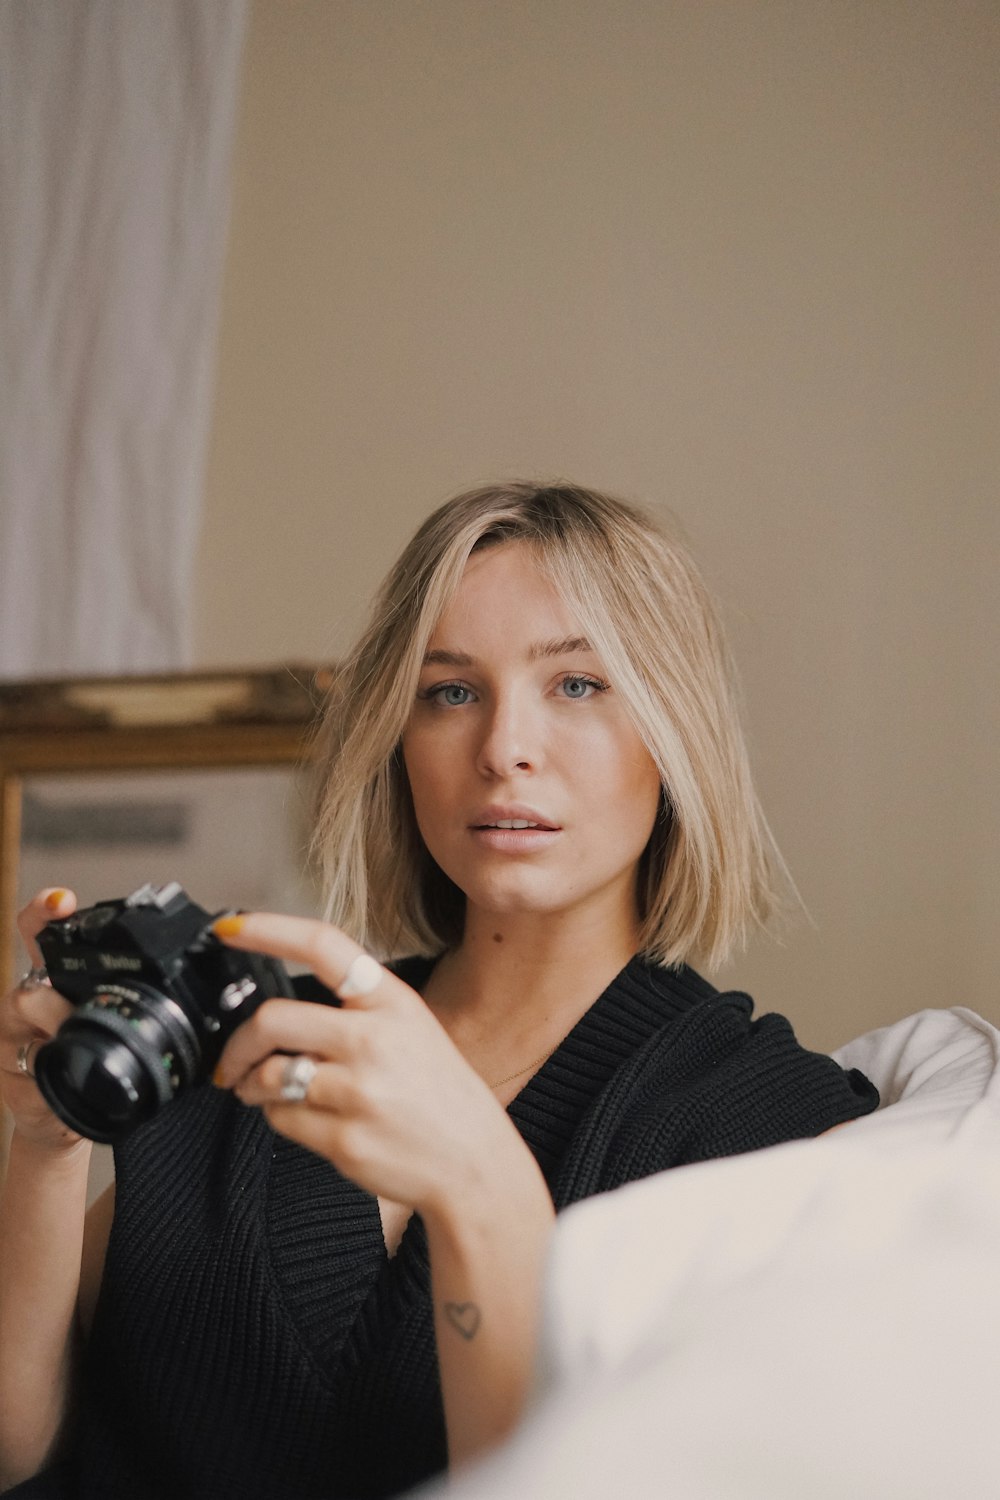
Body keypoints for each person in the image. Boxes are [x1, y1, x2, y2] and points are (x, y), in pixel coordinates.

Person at [0, 482, 878, 1500]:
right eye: (450, 691)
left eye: (579, 685)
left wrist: (475, 1185)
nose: (504, 748)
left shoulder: (770, 1129)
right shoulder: (246, 1038)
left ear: (676, 733)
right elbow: (23, 1450)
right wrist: (44, 1145)